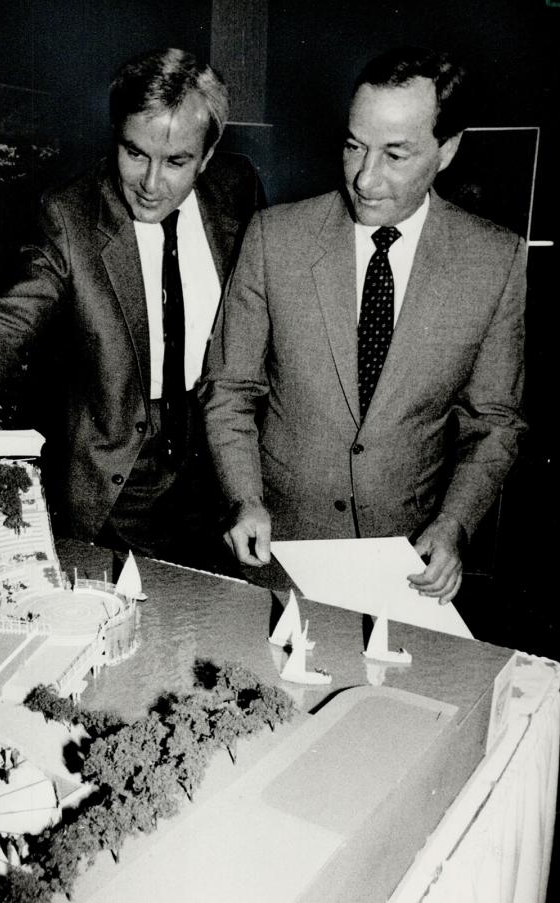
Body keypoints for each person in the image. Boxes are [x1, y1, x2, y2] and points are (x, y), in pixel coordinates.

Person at [0, 48, 265, 574]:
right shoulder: (69, 216)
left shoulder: (237, 191)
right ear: (115, 135)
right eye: (134, 152)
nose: (151, 184)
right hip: (118, 479)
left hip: (219, 469)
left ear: (209, 153)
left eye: (176, 162)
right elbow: (0, 327)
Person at [201, 47, 526, 603]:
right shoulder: (273, 238)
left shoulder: (495, 261)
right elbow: (229, 389)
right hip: (279, 556)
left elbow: (493, 423)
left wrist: (454, 524)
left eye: (395, 155)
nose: (365, 179)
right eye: (355, 146)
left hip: (404, 568)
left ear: (446, 150)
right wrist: (243, 498)